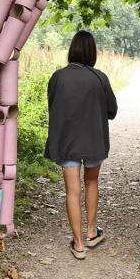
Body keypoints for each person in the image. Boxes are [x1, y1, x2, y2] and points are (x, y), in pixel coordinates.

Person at [44, 30, 118, 260]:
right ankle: (91, 231)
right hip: (94, 140)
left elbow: (53, 106)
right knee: (92, 181)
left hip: (66, 141)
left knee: (72, 192)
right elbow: (112, 111)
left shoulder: (58, 77)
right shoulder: (100, 78)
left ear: (72, 50)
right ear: (92, 52)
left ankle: (78, 244)